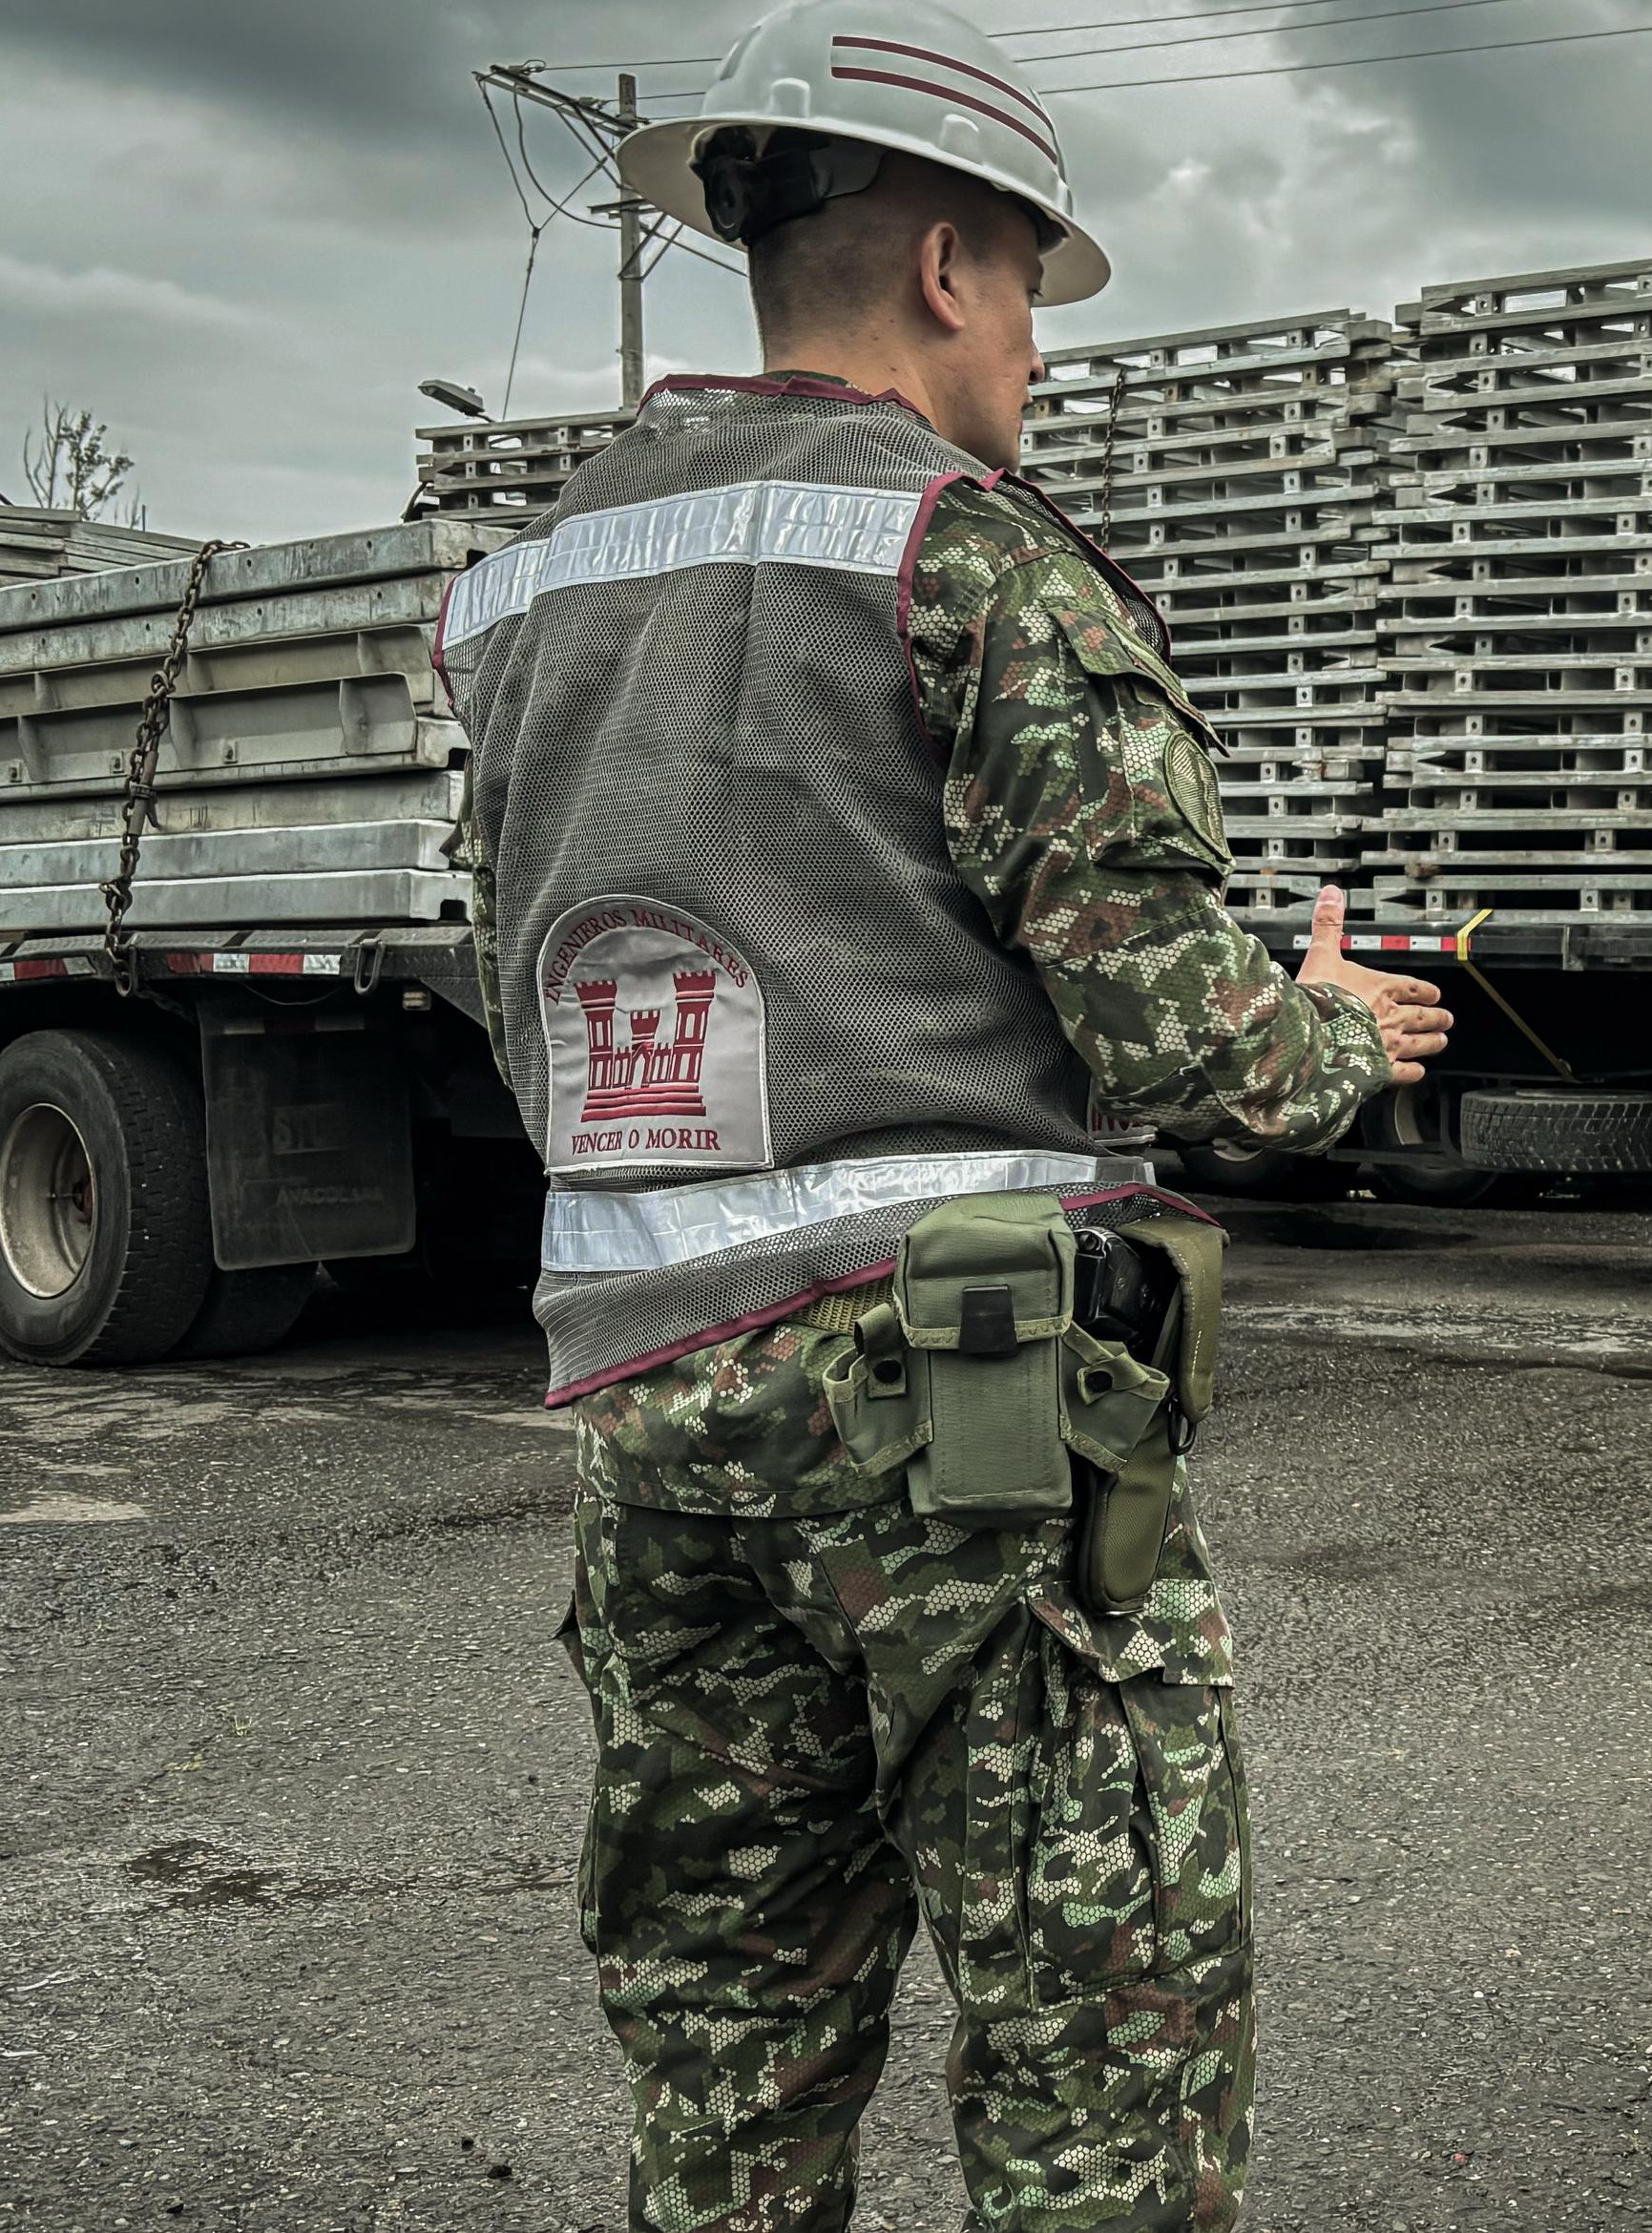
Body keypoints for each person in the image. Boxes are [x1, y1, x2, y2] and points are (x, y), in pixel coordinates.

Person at [435, 5, 1450, 2226]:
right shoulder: (956, 551)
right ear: (946, 266)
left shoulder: (523, 596)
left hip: (647, 1418)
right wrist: (1341, 1026)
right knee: (1104, 2047)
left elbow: (508, 982)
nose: (1045, 358)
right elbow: (1187, 1048)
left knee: (726, 2071)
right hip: (954, 1426)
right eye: (1036, 293)